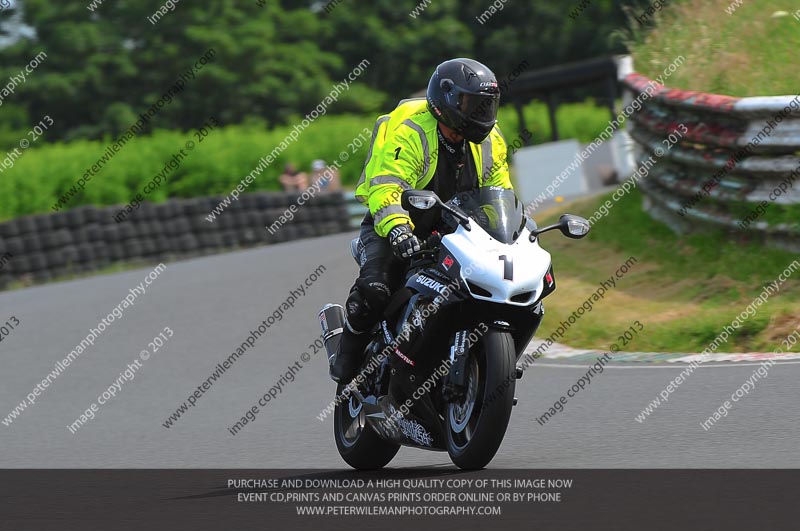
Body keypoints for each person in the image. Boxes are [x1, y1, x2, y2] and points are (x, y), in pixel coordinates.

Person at [329, 57, 513, 383]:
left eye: (487, 105)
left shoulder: (491, 140)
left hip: (455, 231)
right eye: (472, 104)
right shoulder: (411, 131)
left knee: (493, 290)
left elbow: (500, 191)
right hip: (397, 225)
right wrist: (398, 229)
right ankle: (347, 353)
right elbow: (386, 186)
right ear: (446, 100)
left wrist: (508, 233)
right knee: (376, 289)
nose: (481, 113)